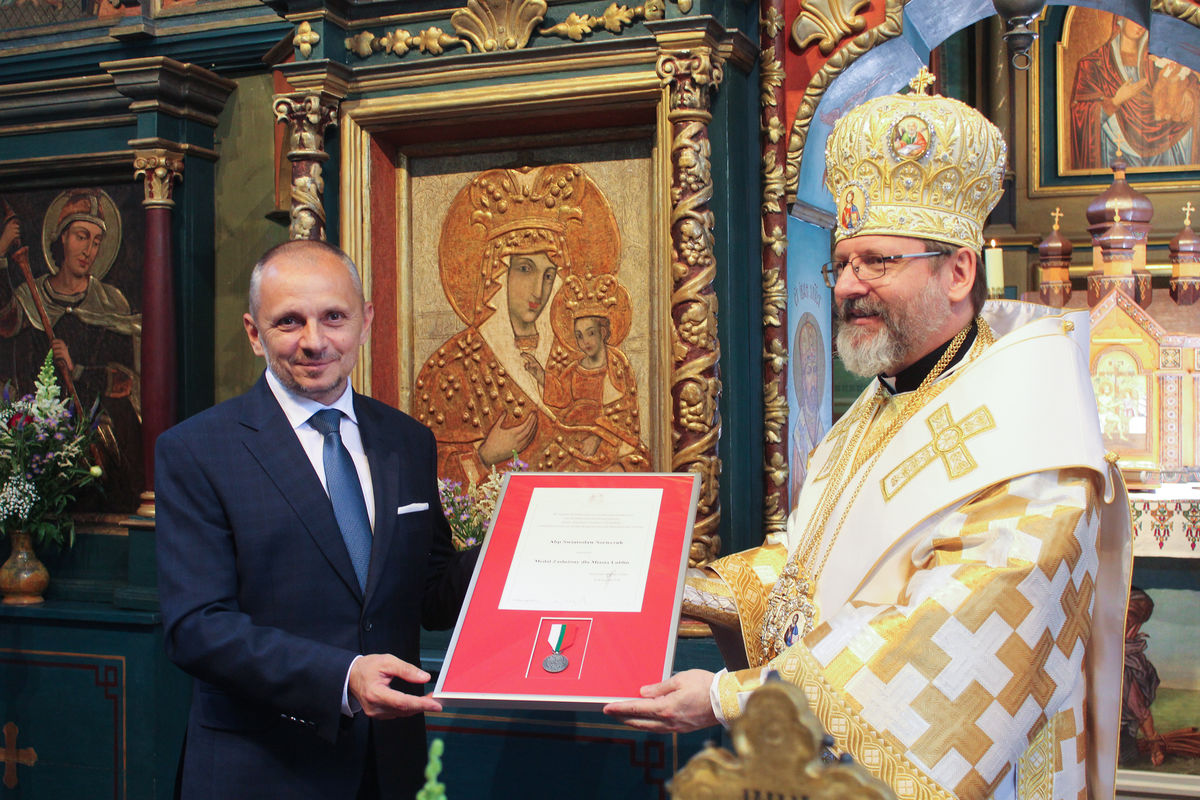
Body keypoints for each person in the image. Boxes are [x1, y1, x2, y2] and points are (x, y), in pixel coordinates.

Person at [605, 70, 1132, 800]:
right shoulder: (881, 403)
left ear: (957, 271)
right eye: (844, 263)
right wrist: (684, 587)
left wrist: (733, 697)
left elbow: (954, 641)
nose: (849, 285)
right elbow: (813, 570)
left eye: (878, 261)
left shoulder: (1035, 432)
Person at [156, 239, 477, 799]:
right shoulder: (197, 451)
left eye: (333, 317)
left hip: (389, 766)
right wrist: (342, 676)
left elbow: (427, 592)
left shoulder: (408, 441)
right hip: (261, 770)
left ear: (365, 321)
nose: (315, 341)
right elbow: (196, 628)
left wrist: (516, 547)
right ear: (255, 334)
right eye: (289, 321)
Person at [413, 164, 649, 485]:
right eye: (525, 269)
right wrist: (484, 457)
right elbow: (424, 478)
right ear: (498, 273)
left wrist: (606, 469)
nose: (539, 290)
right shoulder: (451, 368)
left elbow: (636, 455)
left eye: (549, 274)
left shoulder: (584, 355)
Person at [0, 189, 143, 509]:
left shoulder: (110, 302)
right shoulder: (31, 295)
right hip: (39, 437)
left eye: (96, 241)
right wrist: (0, 254)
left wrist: (77, 369)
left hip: (98, 434)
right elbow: (5, 324)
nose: (89, 250)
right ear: (61, 237)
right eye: (81, 236)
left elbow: (125, 381)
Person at [1069, 15, 1199, 170]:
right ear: (1120, 20)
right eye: (1134, 19)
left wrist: (1183, 96)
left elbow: (1192, 87)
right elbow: (1080, 115)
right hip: (1116, 147)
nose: (1140, 26)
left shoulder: (1158, 61)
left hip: (1163, 148)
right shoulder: (1094, 64)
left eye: (1143, 22)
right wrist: (1115, 101)